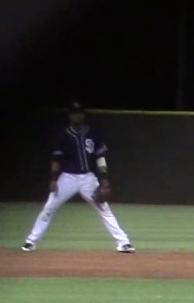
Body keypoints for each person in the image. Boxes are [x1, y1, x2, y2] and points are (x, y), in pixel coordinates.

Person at [21, 101, 135, 253]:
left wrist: (104, 180)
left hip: (88, 178)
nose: (78, 115)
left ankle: (123, 243)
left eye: (80, 112)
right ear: (70, 115)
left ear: (84, 115)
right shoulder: (62, 135)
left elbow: (100, 157)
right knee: (48, 209)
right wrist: (53, 179)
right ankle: (31, 241)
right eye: (74, 113)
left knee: (104, 208)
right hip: (67, 178)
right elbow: (56, 159)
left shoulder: (93, 133)